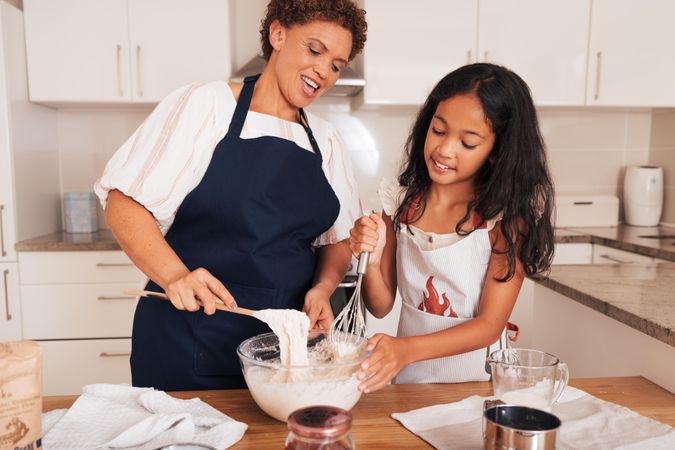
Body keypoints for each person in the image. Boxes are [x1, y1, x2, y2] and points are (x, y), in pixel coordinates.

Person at [94, 0, 367, 391]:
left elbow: (336, 240)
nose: (323, 71)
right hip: (187, 340)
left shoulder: (326, 140)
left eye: (337, 65)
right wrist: (174, 275)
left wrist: (323, 288)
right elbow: (125, 203)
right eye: (314, 50)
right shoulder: (206, 105)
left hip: (284, 353)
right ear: (278, 34)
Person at [348, 63, 555, 392]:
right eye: (439, 131)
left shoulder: (504, 220)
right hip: (409, 381)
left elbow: (489, 326)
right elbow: (381, 304)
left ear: (496, 153)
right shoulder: (399, 203)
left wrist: (405, 350)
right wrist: (371, 261)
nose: (444, 150)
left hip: (480, 383)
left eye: (468, 143)